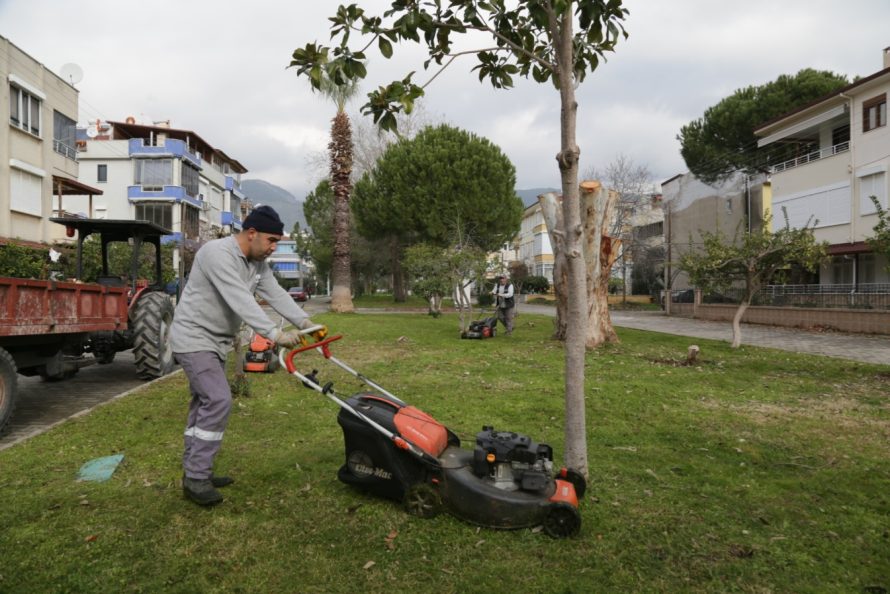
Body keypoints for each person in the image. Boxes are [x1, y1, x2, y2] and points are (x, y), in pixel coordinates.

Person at [170, 205, 325, 506]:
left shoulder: (257, 264)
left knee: (203, 403)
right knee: (217, 400)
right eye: (271, 240)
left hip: (216, 342)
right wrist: (275, 335)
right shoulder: (217, 254)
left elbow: (277, 294)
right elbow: (241, 300)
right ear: (251, 233)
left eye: (277, 242)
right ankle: (196, 478)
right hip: (193, 338)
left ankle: (195, 470)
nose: (273, 248)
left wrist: (306, 324)